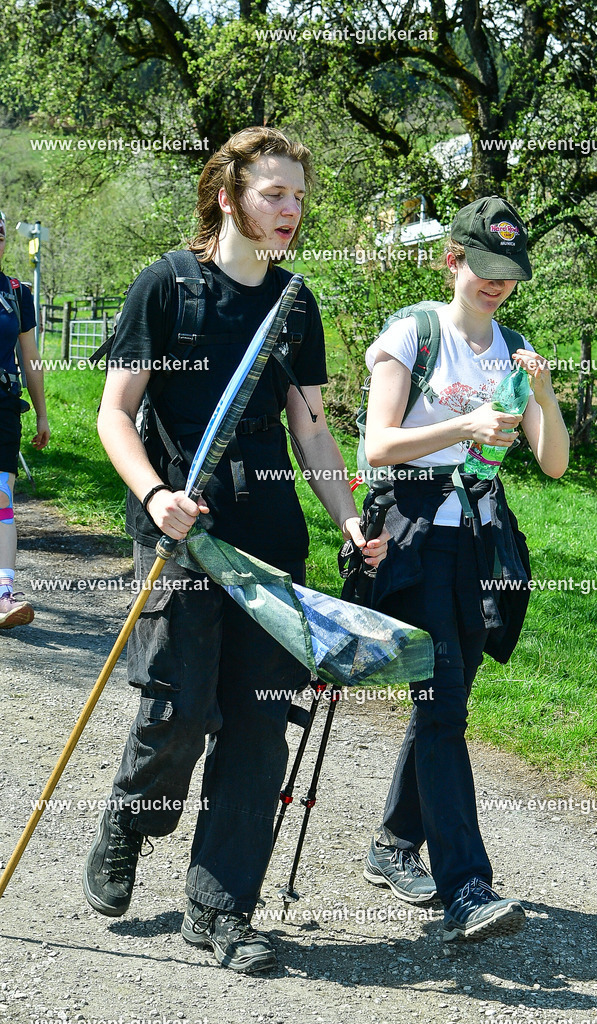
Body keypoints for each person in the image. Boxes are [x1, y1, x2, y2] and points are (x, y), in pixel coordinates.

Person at [82, 127, 388, 974]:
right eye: (273, 193)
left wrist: (346, 519)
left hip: (268, 537)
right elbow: (114, 413)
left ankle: (219, 909)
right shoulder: (167, 287)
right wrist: (156, 495)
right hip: (181, 531)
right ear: (227, 196)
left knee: (258, 724)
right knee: (178, 709)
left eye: (298, 197)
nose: (290, 210)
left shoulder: (295, 304)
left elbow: (311, 429)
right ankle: (130, 818)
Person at [361, 195, 569, 944]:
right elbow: (377, 445)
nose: (496, 283)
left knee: (445, 700)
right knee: (443, 705)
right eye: (483, 267)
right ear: (452, 261)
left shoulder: (513, 347)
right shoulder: (412, 334)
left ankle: (393, 843)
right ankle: (466, 888)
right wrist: (465, 424)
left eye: (508, 272)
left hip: (480, 542)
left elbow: (552, 462)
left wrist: (542, 393)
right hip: (414, 537)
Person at [0, 211, 50, 629]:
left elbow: (30, 358)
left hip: (3, 406)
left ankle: (3, 595)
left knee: (1, 499)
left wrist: (42, 414)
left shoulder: (16, 293)